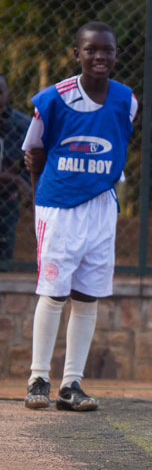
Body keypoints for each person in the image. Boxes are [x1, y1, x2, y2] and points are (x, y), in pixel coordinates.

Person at [21, 21, 137, 412]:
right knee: (53, 293)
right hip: (59, 207)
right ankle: (38, 378)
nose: (99, 56)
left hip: (101, 206)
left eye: (107, 50)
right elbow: (34, 153)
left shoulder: (126, 100)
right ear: (77, 54)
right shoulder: (53, 99)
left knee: (87, 296)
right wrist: (41, 199)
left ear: (117, 54)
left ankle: (72, 384)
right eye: (91, 50)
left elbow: (118, 146)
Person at [0, 74, 32, 269]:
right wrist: (18, 181)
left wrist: (26, 184)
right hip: (12, 186)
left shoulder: (22, 125)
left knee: (4, 259)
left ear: (8, 95)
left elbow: (31, 165)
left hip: (7, 199)